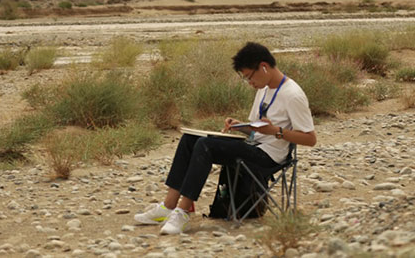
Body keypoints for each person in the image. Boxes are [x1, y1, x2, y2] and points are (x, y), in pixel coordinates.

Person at [133, 42, 317, 235]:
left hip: (269, 157)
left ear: (263, 67)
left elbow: (310, 139)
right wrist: (240, 126)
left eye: (249, 77)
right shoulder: (263, 90)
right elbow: (257, 129)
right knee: (190, 139)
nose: (250, 83)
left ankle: (182, 212)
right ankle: (168, 206)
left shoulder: (293, 94)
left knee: (205, 146)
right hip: (254, 145)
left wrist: (276, 131)